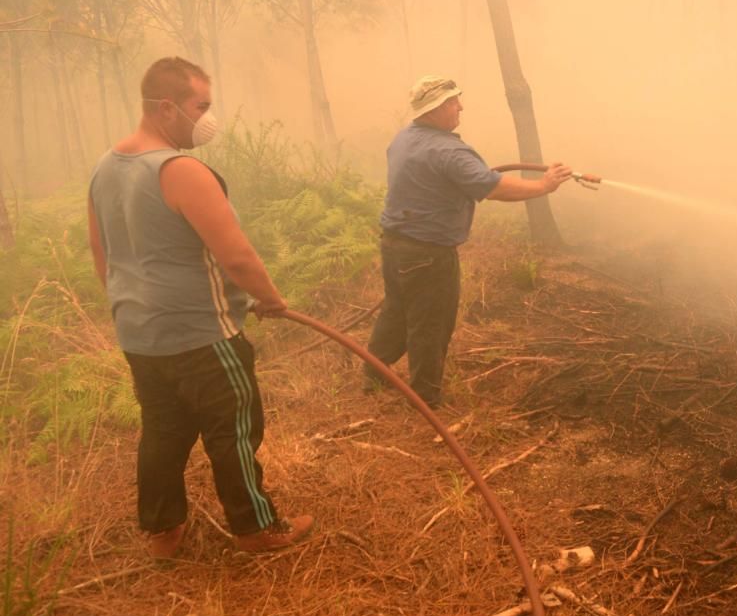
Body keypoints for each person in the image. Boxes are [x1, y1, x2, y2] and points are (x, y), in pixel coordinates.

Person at [87, 57, 312, 558]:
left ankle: (163, 532)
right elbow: (235, 254)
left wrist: (134, 311)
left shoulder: (106, 167)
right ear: (167, 108)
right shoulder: (181, 170)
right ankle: (256, 528)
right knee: (233, 428)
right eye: (201, 106)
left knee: (163, 430)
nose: (209, 118)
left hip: (140, 336)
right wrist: (271, 299)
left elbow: (102, 255)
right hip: (203, 336)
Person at [363, 76, 574, 407]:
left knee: (397, 311)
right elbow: (494, 188)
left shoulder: (404, 139)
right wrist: (544, 186)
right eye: (452, 102)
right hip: (428, 254)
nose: (460, 106)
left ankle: (373, 375)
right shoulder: (449, 151)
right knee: (430, 323)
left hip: (394, 245)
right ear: (434, 109)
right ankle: (425, 398)